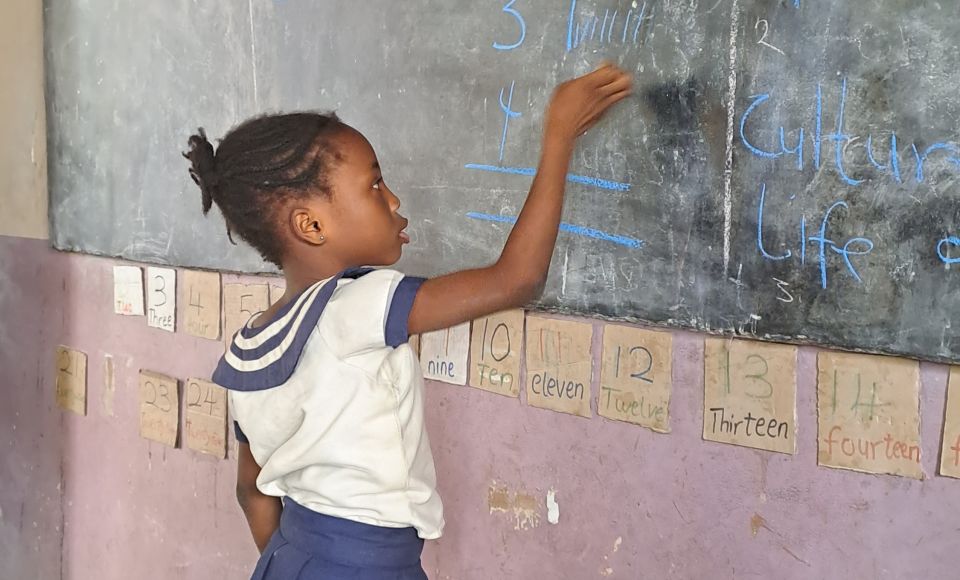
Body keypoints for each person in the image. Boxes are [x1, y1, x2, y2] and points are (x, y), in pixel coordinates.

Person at [183, 63, 632, 580]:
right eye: (374, 185)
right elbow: (516, 279)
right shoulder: (357, 305)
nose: (394, 199)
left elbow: (251, 491)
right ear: (310, 226)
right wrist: (559, 136)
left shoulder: (247, 345)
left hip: (290, 558)